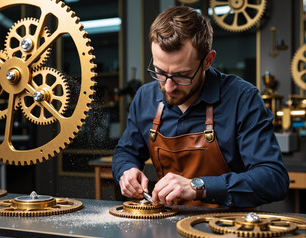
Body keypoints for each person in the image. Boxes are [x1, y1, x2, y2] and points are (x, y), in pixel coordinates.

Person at [112, 6, 289, 208]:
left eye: (181, 75)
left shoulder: (242, 99)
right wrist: (126, 171)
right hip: (165, 226)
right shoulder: (145, 97)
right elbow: (126, 152)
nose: (168, 87)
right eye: (160, 72)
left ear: (208, 61)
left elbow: (274, 179)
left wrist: (200, 186)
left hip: (226, 230)